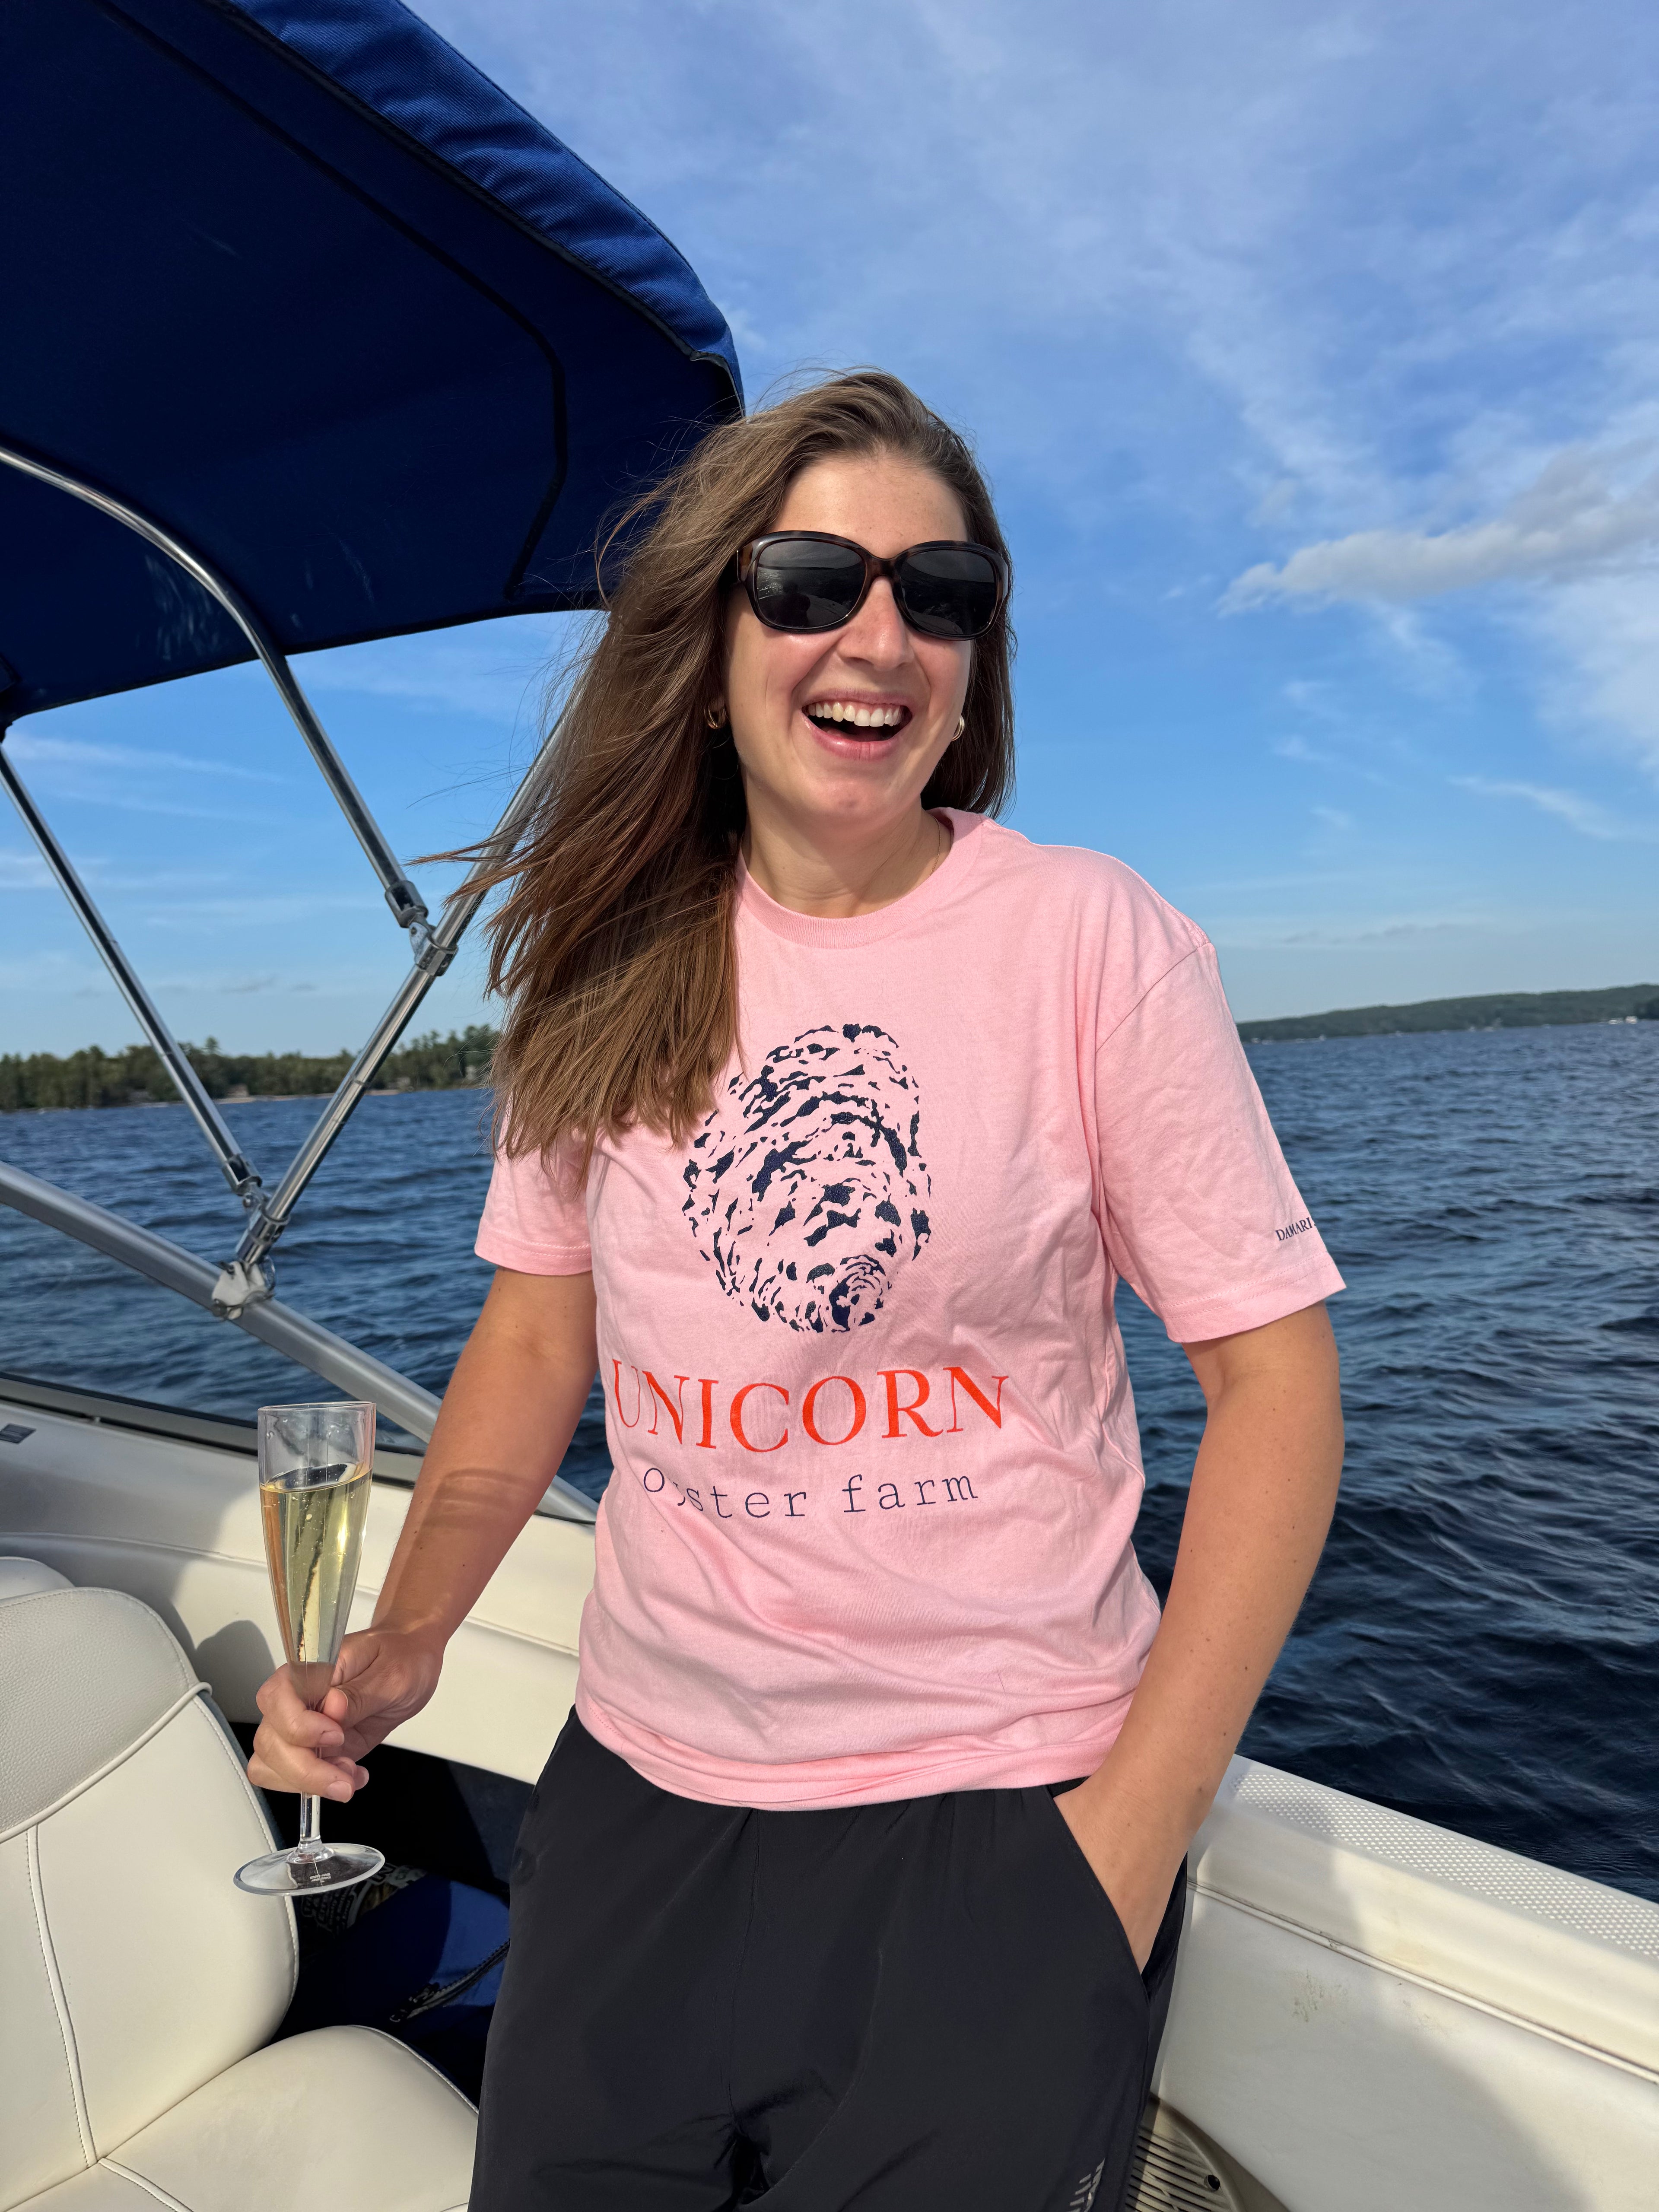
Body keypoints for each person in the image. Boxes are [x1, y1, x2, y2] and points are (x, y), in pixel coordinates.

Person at [249, 370, 1344, 2211]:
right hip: (640, 1806)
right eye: (815, 576)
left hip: (1003, 1820)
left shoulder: (1093, 942)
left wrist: (1129, 1844)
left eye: (946, 592)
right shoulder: (603, 960)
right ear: (714, 627)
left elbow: (1281, 1387)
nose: (881, 634)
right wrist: (414, 1632)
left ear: (981, 656)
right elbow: (536, 1333)